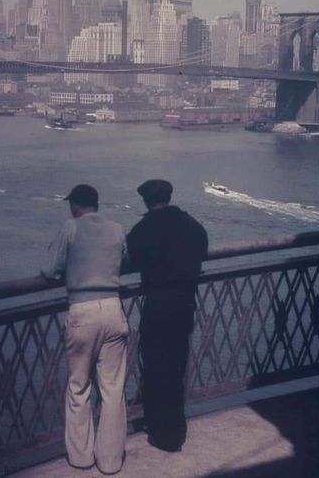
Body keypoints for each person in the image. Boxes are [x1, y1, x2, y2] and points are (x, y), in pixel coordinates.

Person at [41, 184, 129, 475]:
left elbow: (50, 269)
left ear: (76, 205)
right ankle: (111, 461)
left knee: (79, 387)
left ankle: (80, 458)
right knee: (113, 389)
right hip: (114, 309)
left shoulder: (71, 227)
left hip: (82, 311)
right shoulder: (117, 228)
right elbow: (125, 263)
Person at [126, 179, 208, 453]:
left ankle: (162, 432)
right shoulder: (192, 226)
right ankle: (177, 429)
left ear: (146, 201)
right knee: (176, 366)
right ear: (169, 197)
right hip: (185, 303)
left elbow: (130, 257)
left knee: (155, 365)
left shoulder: (144, 229)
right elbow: (202, 249)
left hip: (158, 304)